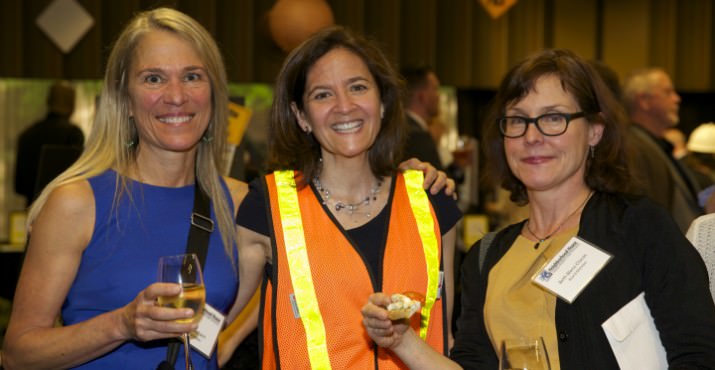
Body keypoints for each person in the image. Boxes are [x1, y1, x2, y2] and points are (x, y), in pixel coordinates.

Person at [362, 48, 715, 369]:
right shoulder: (485, 258)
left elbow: (697, 354)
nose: (532, 136)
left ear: (594, 130)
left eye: (553, 118)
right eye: (518, 120)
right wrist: (403, 341)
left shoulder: (636, 226)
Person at [3, 8, 247, 369]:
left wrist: (226, 342)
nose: (176, 96)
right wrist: (122, 324)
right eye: (153, 79)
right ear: (125, 99)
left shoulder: (239, 203)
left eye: (192, 76)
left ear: (213, 93)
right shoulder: (78, 203)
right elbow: (17, 354)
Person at [233, 26, 461, 369]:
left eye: (357, 87)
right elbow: (215, 319)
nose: (344, 106)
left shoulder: (431, 200)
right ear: (301, 116)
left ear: (382, 102)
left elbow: (445, 335)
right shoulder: (267, 208)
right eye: (323, 95)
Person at [622, 67, 705, 231]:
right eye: (667, 92)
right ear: (644, 101)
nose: (677, 98)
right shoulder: (632, 147)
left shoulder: (653, 145)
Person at [14, 80, 85, 206]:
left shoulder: (27, 135)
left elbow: (19, 187)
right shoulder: (73, 134)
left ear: (48, 101)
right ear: (72, 105)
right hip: (64, 209)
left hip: (32, 210)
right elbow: (79, 180)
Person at [401, 65, 446, 171]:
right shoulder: (418, 135)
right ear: (422, 96)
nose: (438, 96)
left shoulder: (400, 128)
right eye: (435, 89)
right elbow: (443, 184)